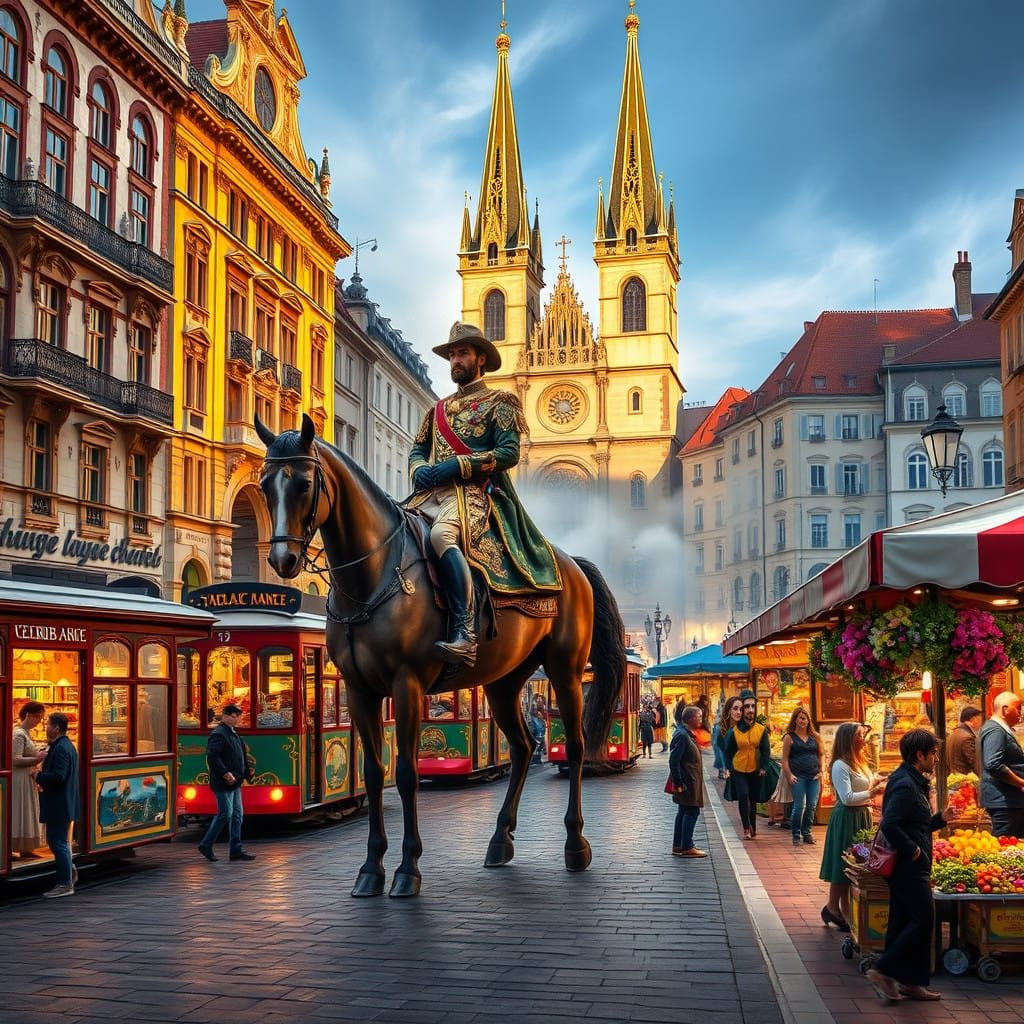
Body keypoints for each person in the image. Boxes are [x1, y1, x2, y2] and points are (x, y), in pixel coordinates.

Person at [407, 322, 561, 667]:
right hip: (431, 492)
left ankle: (465, 634)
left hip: (475, 493)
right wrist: (418, 469)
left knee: (441, 535)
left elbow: (509, 453)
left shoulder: (501, 401)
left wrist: (459, 466)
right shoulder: (437, 409)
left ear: (481, 360)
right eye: (451, 355)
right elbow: (418, 448)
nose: (455, 361)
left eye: (462, 353)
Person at [865, 729, 947, 1003]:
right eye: (933, 753)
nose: (936, 758)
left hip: (910, 865)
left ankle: (911, 982)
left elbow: (916, 823)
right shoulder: (904, 784)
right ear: (920, 755)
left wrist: (940, 819)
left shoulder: (912, 781)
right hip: (907, 867)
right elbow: (890, 824)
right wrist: (912, 849)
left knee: (901, 921)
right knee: (924, 920)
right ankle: (884, 970)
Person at [819, 722, 885, 929]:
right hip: (847, 818)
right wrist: (872, 793)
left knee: (853, 864)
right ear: (849, 739)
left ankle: (838, 908)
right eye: (859, 735)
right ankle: (835, 908)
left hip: (861, 816)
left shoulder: (860, 762)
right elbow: (847, 798)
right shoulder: (840, 765)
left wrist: (876, 783)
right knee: (843, 865)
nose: (863, 739)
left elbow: (862, 786)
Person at [198, 704, 256, 862]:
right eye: (237, 716)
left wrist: (246, 772)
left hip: (235, 781)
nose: (239, 720)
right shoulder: (219, 734)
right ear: (229, 716)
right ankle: (206, 844)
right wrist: (225, 773)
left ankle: (235, 850)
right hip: (223, 782)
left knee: (237, 815)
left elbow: (241, 756)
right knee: (225, 814)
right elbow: (213, 757)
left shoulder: (234, 734)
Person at [35, 712, 81, 898]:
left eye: (48, 724)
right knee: (57, 841)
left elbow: (58, 776)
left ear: (56, 727)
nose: (46, 727)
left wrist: (38, 776)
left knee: (58, 842)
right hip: (63, 802)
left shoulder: (61, 748)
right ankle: (69, 872)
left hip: (59, 803)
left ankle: (65, 883)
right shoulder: (65, 746)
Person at [724, 690, 771, 840]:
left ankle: (753, 826)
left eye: (752, 706)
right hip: (738, 768)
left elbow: (765, 751)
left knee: (752, 798)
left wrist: (764, 767)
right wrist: (728, 769)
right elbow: (728, 752)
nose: (750, 710)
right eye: (747, 706)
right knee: (743, 795)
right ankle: (746, 828)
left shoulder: (761, 729)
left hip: (755, 769)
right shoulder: (734, 731)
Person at [978, 691, 1024, 838]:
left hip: (1009, 801)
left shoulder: (1000, 729)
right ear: (1005, 709)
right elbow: (993, 764)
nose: (1020, 713)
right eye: (1018, 708)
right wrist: (1021, 783)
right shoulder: (995, 730)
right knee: (1006, 847)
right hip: (1004, 802)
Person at [669, 704, 707, 858]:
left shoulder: (686, 734)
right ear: (691, 718)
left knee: (684, 811)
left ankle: (679, 845)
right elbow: (674, 760)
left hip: (689, 780)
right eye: (699, 716)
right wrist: (678, 782)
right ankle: (687, 846)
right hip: (687, 781)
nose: (701, 719)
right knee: (691, 811)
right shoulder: (682, 736)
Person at [782, 706, 823, 847]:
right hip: (797, 776)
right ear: (795, 720)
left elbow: (821, 755)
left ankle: (807, 832)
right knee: (799, 806)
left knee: (811, 805)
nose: (802, 720)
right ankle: (795, 834)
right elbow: (785, 759)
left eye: (804, 718)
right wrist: (789, 775)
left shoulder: (815, 737)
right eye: (800, 718)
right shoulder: (789, 737)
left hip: (813, 776)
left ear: (808, 720)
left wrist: (821, 771)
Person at [12, 701, 46, 858]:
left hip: (26, 778)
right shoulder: (18, 734)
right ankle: (18, 846)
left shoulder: (24, 733)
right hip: (20, 780)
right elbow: (15, 759)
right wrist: (37, 759)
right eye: (38, 717)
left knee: (26, 810)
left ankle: (25, 847)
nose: (40, 721)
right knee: (21, 810)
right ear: (28, 715)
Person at [947, 706, 982, 776]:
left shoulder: (953, 734)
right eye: (980, 719)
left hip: (955, 779)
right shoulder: (967, 737)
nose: (981, 722)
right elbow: (975, 764)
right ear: (973, 719)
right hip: (964, 781)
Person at [715, 696, 742, 781]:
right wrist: (724, 768)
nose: (738, 712)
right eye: (735, 709)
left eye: (741, 709)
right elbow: (719, 749)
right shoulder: (719, 729)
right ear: (728, 710)